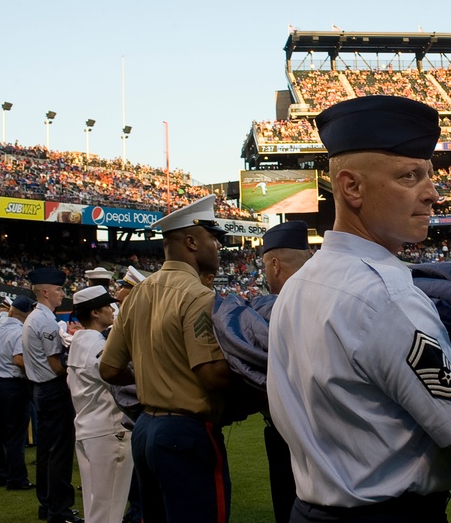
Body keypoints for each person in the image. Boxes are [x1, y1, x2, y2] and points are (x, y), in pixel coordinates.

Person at [267, 95, 451, 522]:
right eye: (410, 176)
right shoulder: (386, 298)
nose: (432, 194)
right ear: (352, 187)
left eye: (429, 175)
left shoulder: (298, 286)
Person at [100, 195, 234, 523]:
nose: (217, 246)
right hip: (185, 432)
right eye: (212, 238)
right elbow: (211, 376)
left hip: (146, 429)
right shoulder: (198, 295)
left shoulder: (139, 293)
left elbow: (109, 367)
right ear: (190, 241)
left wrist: (150, 375)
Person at [255, 220, 312, 523]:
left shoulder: (278, 307)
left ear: (275, 265)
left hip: (290, 432)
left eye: (265, 267)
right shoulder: (326, 297)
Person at [67, 286, 134, 523]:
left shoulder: (79, 341)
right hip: (108, 431)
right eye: (107, 306)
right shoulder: (97, 345)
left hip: (88, 429)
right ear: (95, 313)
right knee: (108, 512)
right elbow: (122, 380)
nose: (112, 309)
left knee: (96, 507)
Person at [23, 267, 82, 523]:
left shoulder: (35, 318)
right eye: (58, 290)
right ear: (45, 291)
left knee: (47, 450)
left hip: (41, 389)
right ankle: (60, 509)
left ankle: (47, 504)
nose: (62, 294)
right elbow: (56, 364)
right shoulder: (45, 321)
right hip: (54, 389)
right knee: (59, 451)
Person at [0, 295, 36, 490]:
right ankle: (17, 478)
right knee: (16, 434)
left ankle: (1, 475)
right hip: (13, 385)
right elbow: (18, 360)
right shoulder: (19, 331)